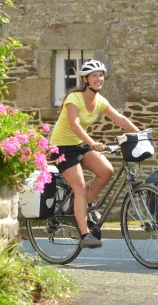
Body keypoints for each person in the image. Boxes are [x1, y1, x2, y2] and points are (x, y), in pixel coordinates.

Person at [49, 59, 139, 249]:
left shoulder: (100, 101)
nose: (99, 78)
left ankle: (84, 206)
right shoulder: (74, 99)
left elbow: (119, 118)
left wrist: (139, 134)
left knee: (106, 170)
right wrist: (92, 143)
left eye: (101, 75)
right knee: (80, 188)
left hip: (79, 144)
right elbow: (74, 124)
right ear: (85, 79)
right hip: (61, 147)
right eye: (94, 76)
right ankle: (85, 235)